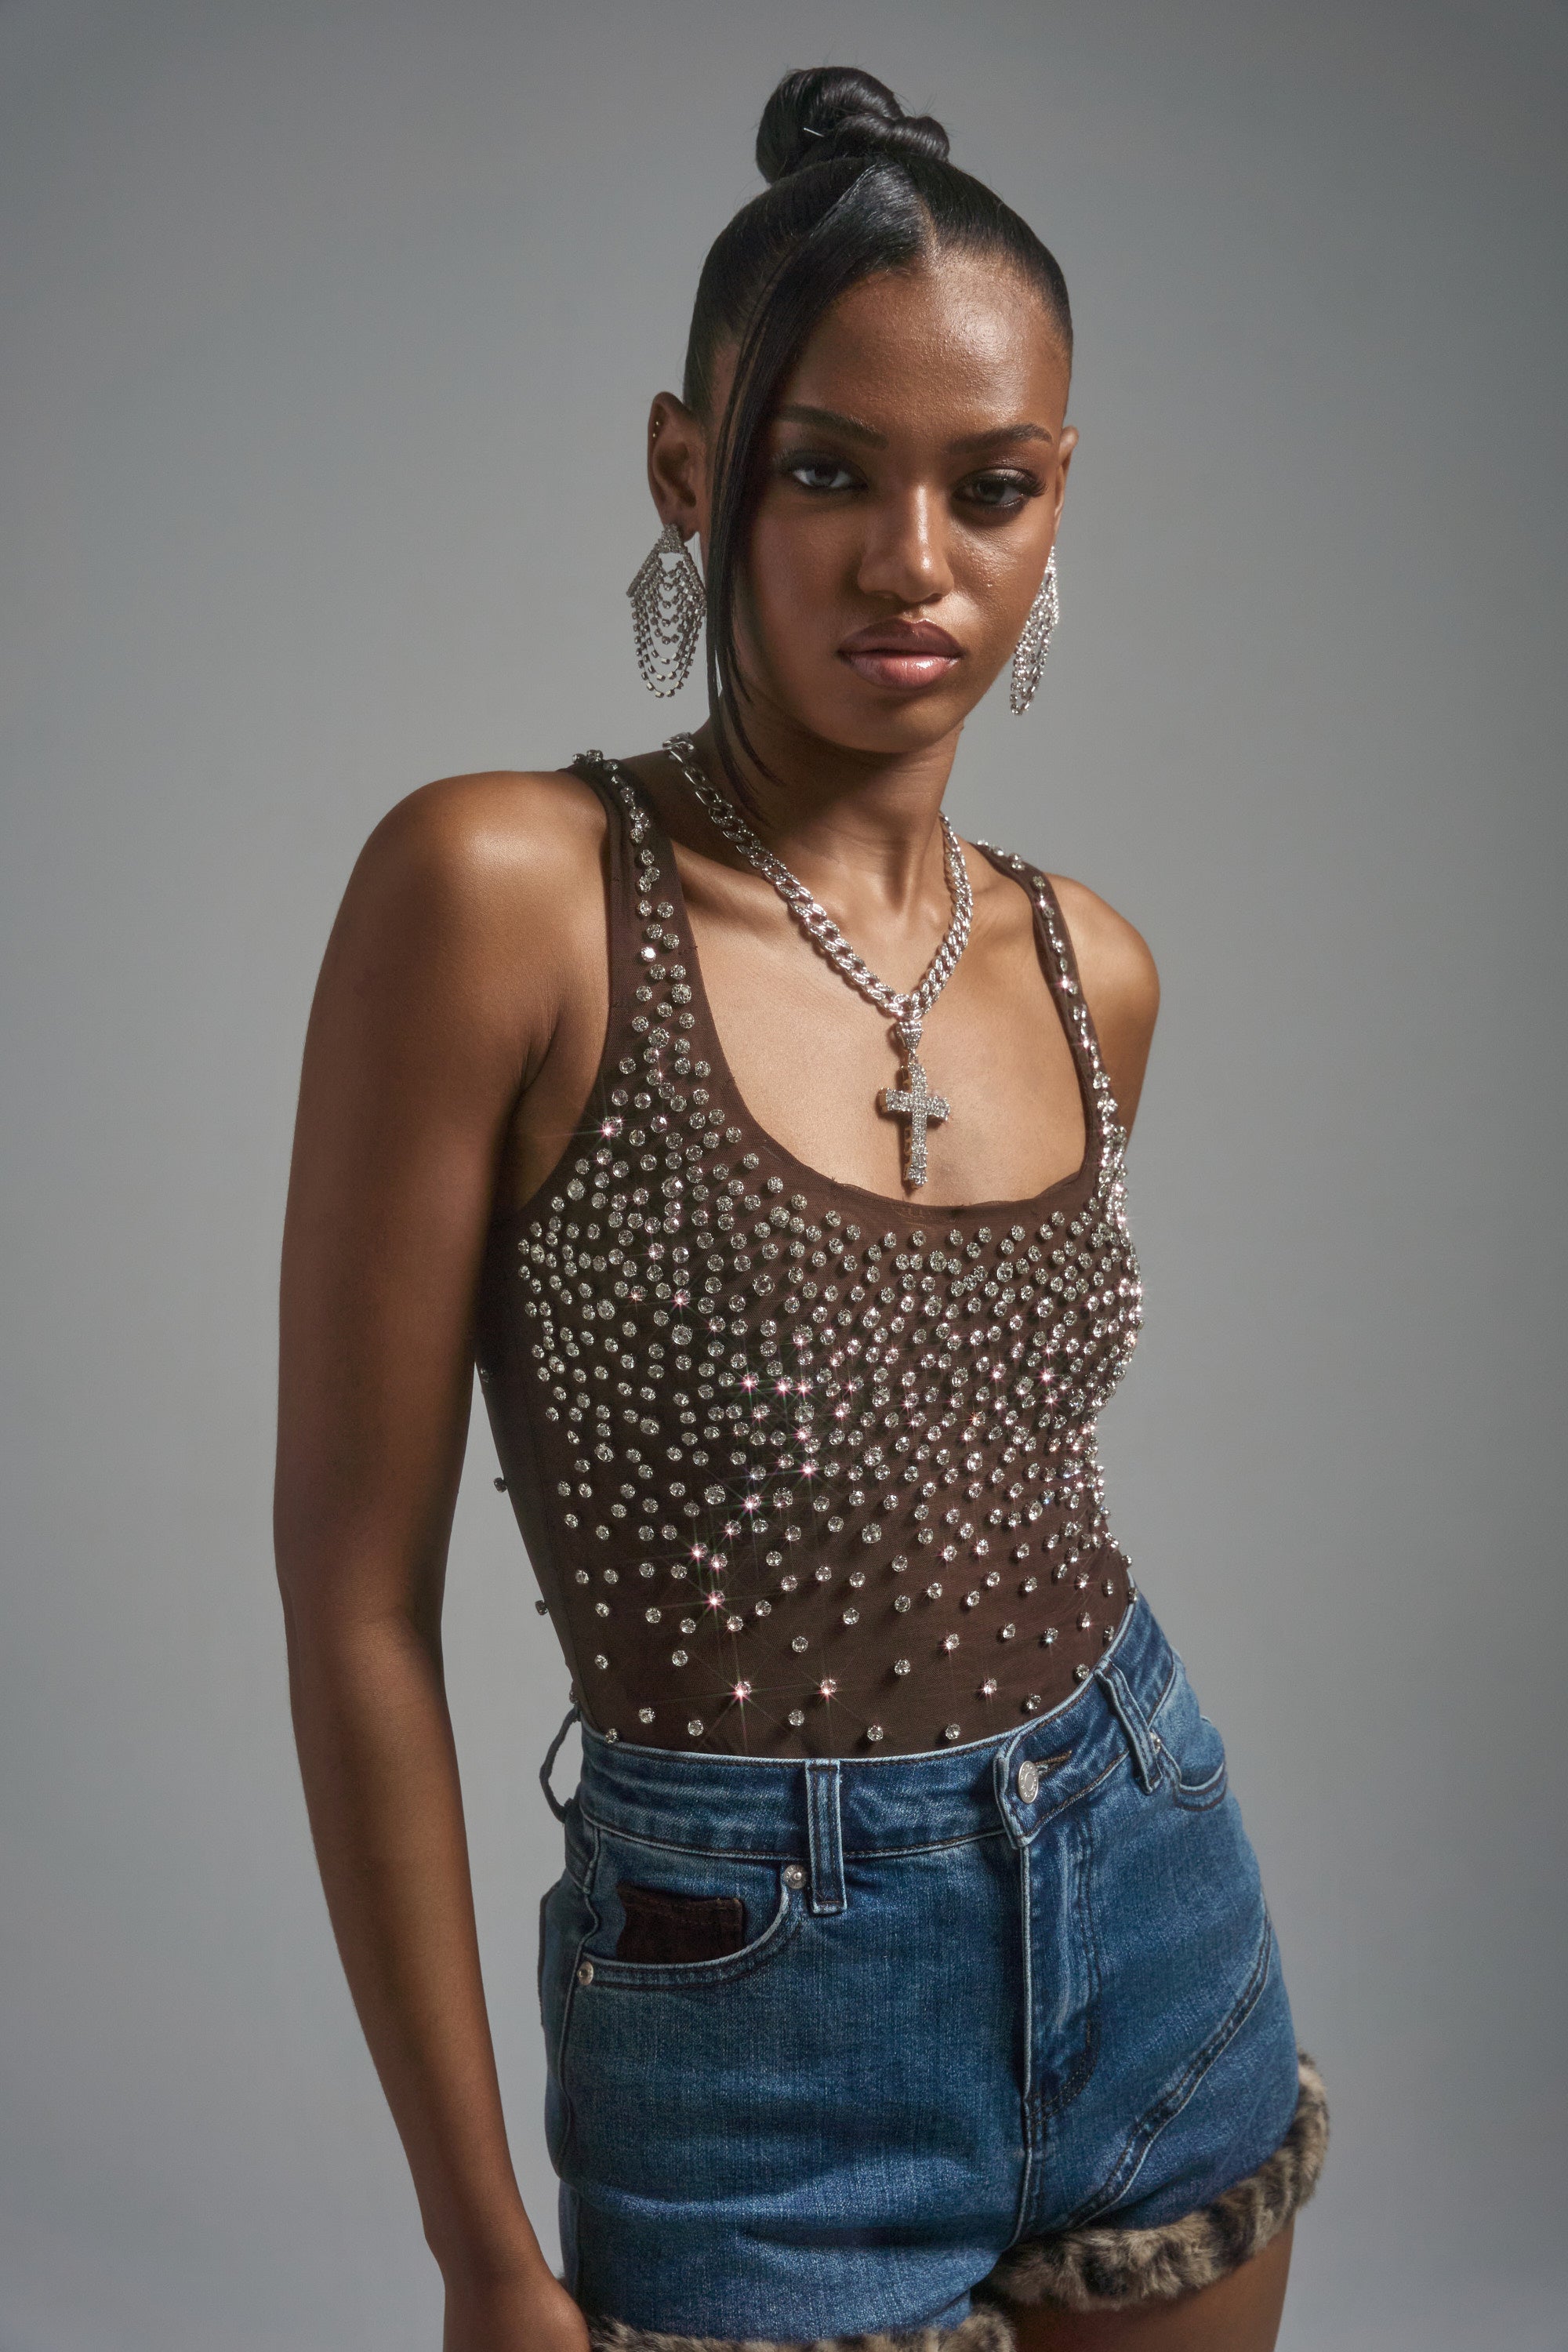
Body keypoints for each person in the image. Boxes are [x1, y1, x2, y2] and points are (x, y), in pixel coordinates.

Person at [274, 65, 1327, 2352]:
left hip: (1148, 1895)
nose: (911, 560)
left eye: (994, 485)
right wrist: (480, 2250)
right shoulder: (507, 895)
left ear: (1060, 508)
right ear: (692, 469)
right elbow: (355, 1589)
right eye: (829, 469)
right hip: (750, 2010)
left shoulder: (1094, 966)